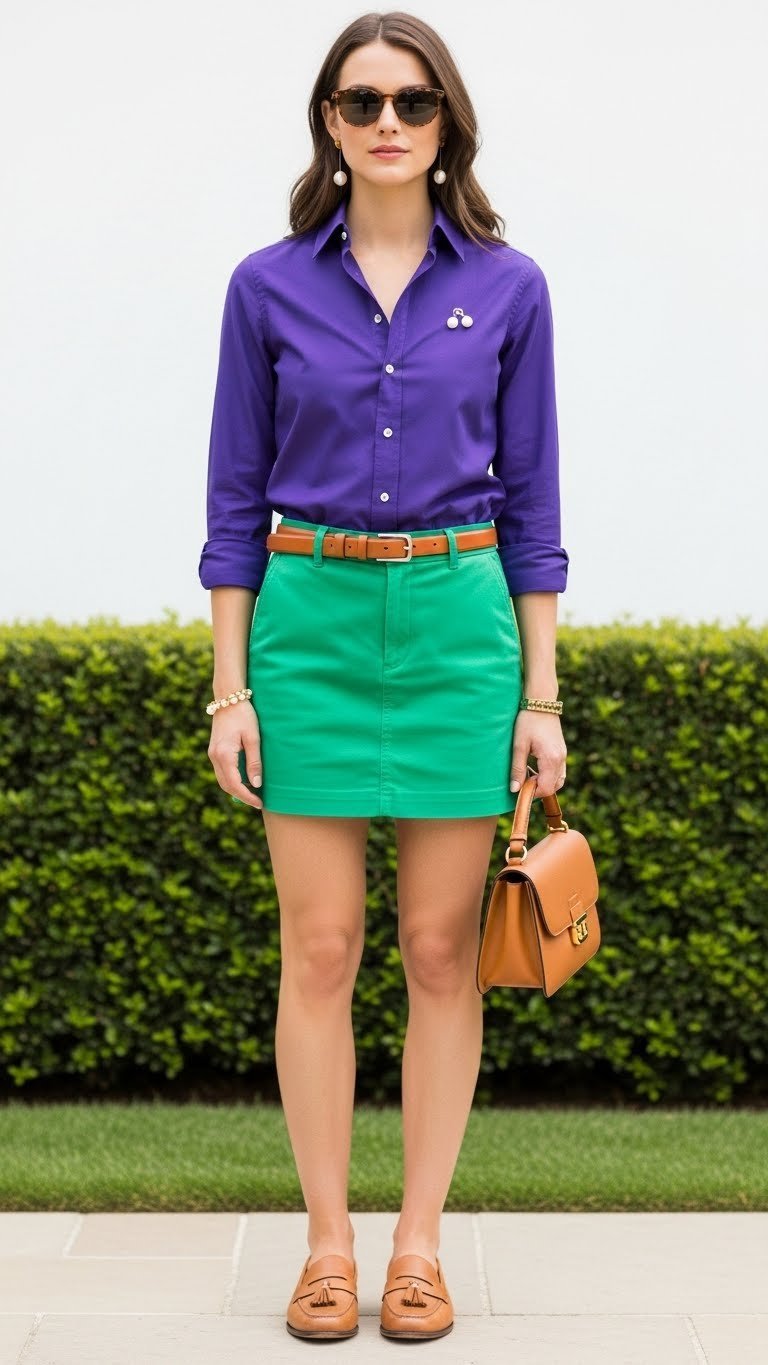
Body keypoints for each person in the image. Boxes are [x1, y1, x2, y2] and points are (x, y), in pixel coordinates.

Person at [198, 11, 568, 1344]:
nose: (389, 122)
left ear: (447, 122)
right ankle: (327, 1249)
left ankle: (417, 1247)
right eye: (362, 103)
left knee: (439, 951)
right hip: (311, 624)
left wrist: (541, 695)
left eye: (414, 102)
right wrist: (230, 689)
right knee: (321, 947)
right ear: (330, 126)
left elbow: (535, 505)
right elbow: (233, 500)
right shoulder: (265, 286)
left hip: (460, 622)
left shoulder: (512, 287)